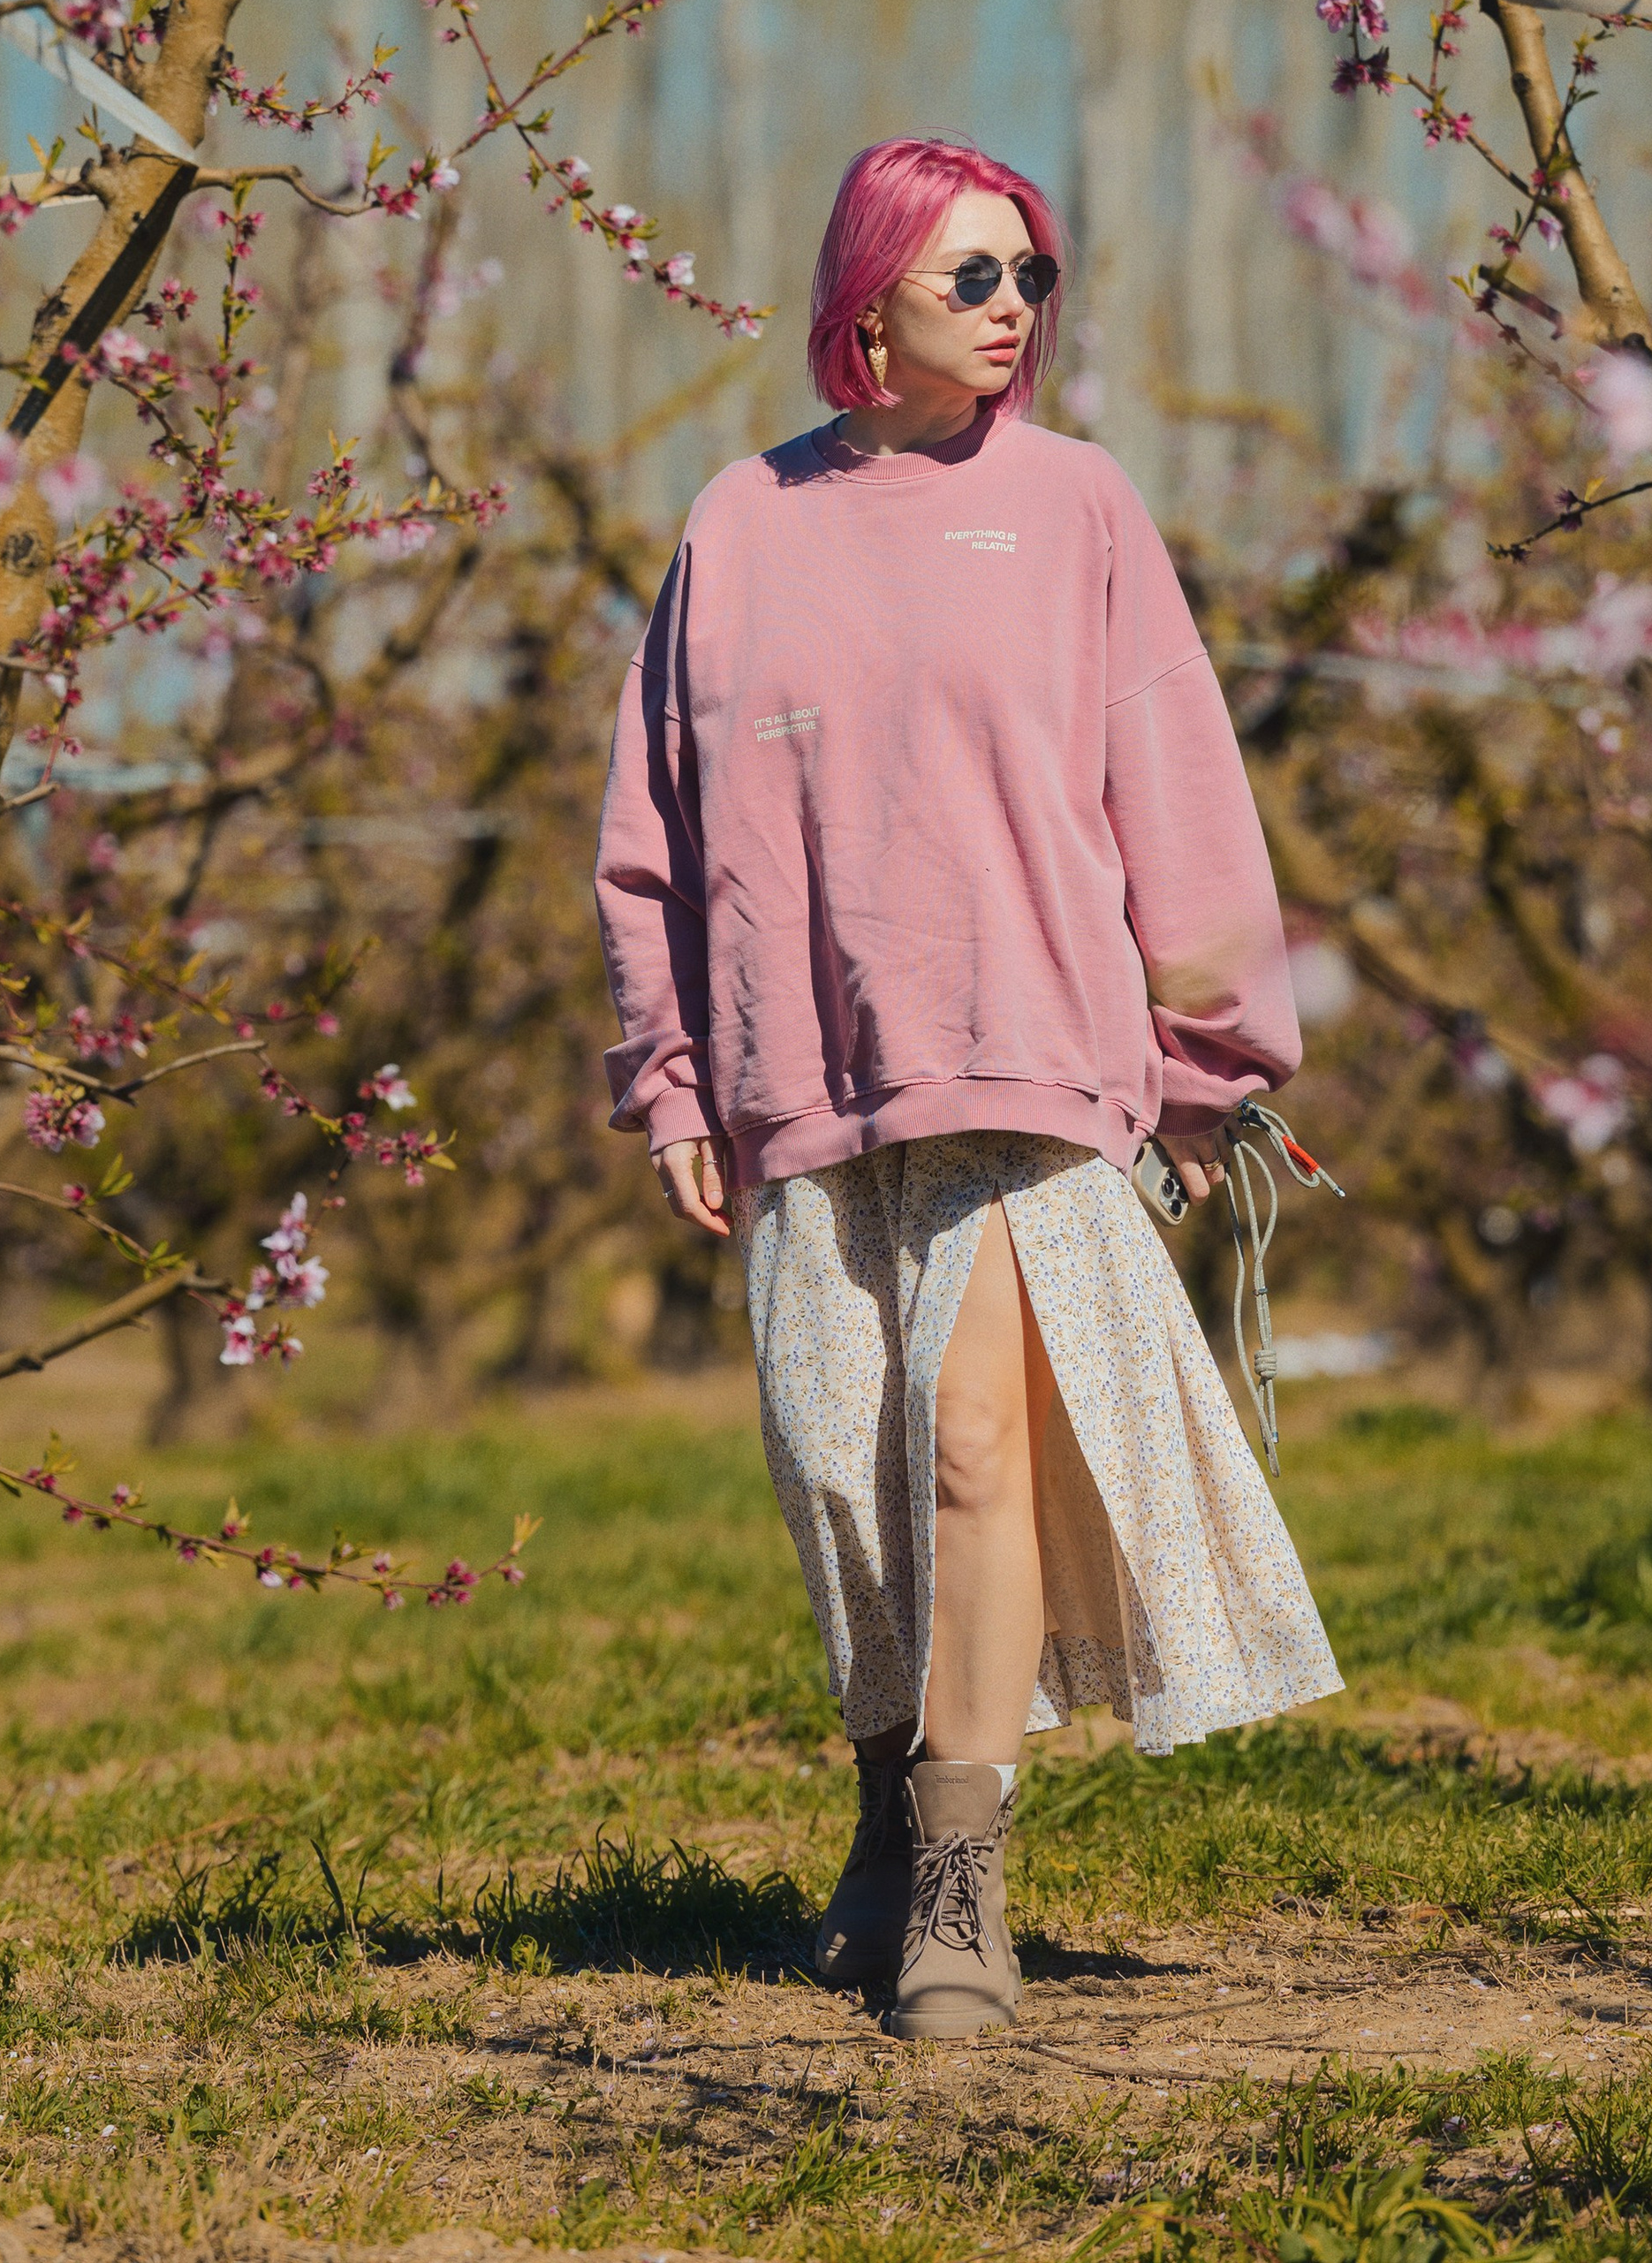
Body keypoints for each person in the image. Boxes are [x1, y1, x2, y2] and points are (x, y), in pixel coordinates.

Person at [595, 134, 1342, 2042]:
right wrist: (672, 1072)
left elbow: (1170, 775)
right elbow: (655, 833)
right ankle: (879, 1796)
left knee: (970, 1450)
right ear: (870, 299)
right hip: (800, 1068)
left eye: (1030, 273)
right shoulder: (736, 522)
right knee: (841, 1471)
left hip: (1027, 1050)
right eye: (972, 275)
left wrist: (1199, 1050)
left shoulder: (1079, 505)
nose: (1013, 307)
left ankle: (958, 1870)